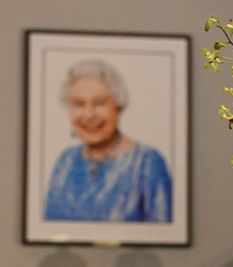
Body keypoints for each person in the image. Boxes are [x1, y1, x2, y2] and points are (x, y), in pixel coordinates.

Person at [45, 59, 172, 222]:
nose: (89, 115)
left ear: (118, 106)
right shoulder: (65, 161)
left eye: (99, 103)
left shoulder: (147, 163)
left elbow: (163, 238)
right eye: (78, 104)